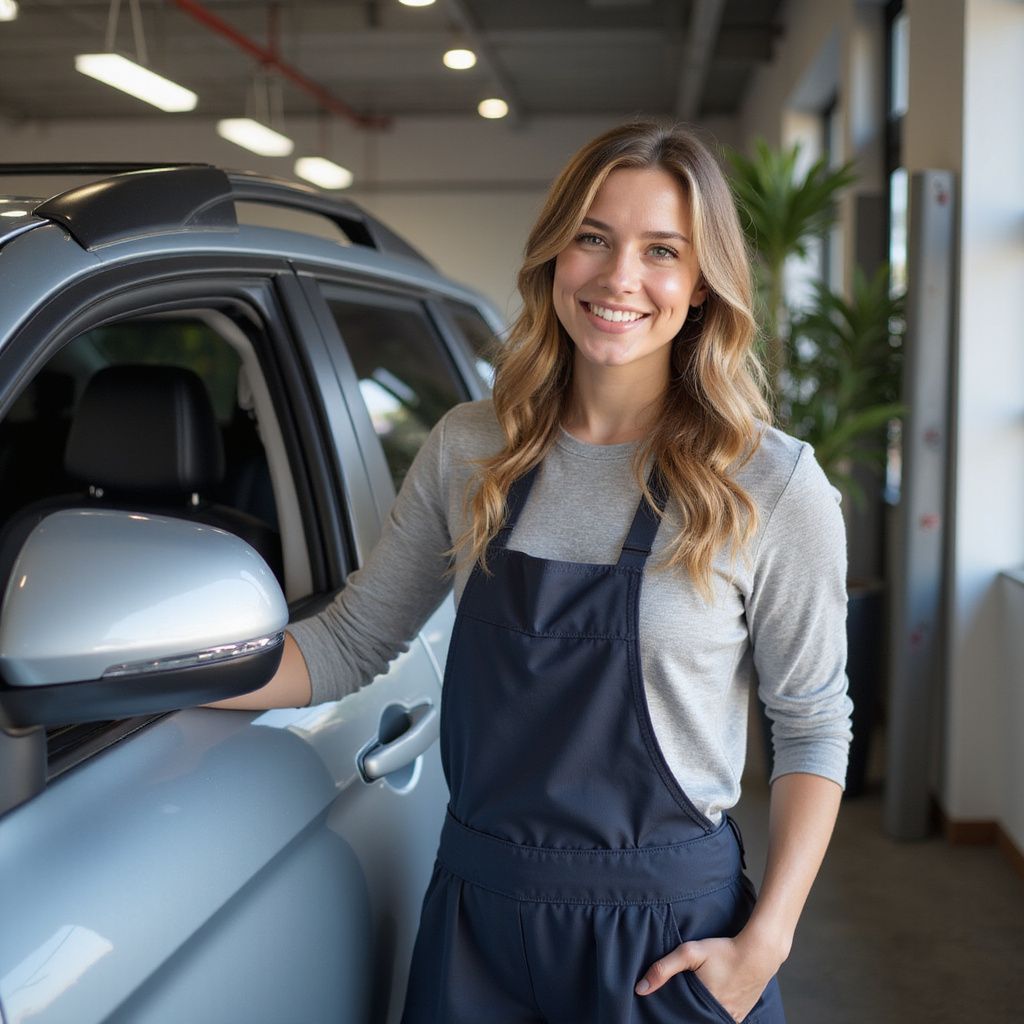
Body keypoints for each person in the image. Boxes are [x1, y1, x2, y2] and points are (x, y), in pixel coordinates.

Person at [218, 121, 852, 1023]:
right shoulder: (474, 447)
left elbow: (814, 721)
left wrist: (768, 941)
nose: (618, 277)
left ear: (702, 285)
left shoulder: (768, 482)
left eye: (660, 251)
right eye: (593, 236)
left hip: (664, 941)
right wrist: (151, 678)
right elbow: (350, 643)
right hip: (478, 922)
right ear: (555, 251)